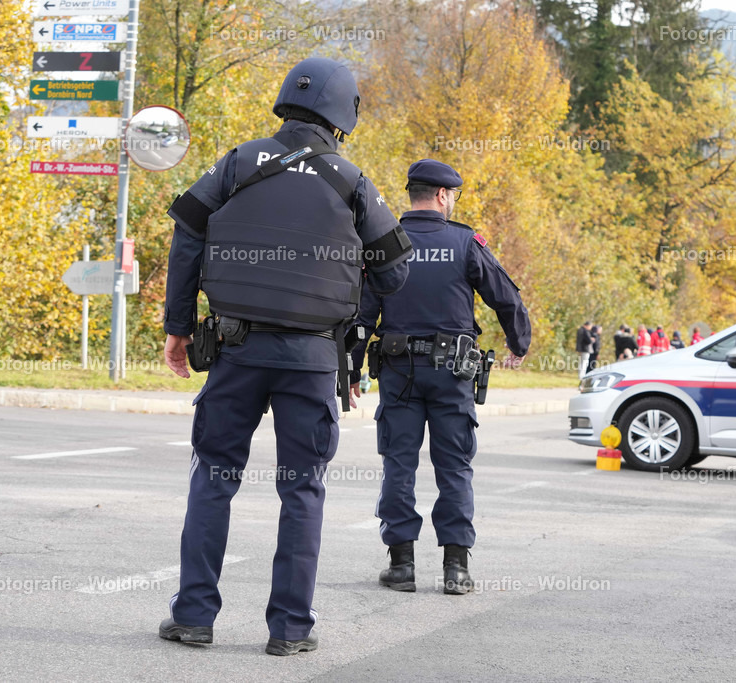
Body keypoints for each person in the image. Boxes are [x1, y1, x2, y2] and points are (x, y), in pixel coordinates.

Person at [159, 57, 412, 656]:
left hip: (235, 351)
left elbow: (187, 234)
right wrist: (350, 309)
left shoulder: (238, 162)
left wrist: (177, 327)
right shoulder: (351, 180)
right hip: (311, 360)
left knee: (214, 479)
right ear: (344, 114)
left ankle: (194, 617)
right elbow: (395, 271)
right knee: (301, 490)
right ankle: (289, 629)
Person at [352, 159, 531, 596]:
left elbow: (361, 313)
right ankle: (456, 569)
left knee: (399, 464)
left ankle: (401, 566)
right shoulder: (465, 242)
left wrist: (351, 367)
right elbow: (505, 296)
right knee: (454, 467)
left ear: (413, 194)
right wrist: (518, 342)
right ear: (443, 195)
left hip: (398, 373)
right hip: (453, 373)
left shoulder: (385, 240)